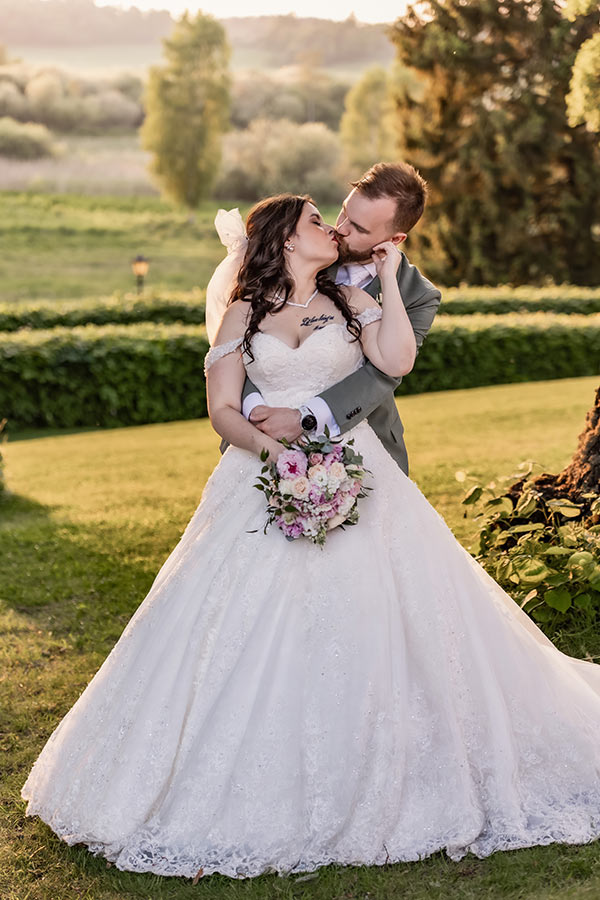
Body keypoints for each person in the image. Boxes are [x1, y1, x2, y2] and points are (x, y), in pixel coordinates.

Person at [21, 193, 600, 883]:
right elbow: (222, 410)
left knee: (386, 615)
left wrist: (385, 276)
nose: (330, 230)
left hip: (361, 475)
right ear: (285, 240)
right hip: (260, 481)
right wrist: (277, 459)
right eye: (315, 222)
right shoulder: (242, 312)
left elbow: (398, 361)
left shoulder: (349, 304)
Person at [207, 161, 442, 475]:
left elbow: (384, 373)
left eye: (358, 229)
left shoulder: (416, 295)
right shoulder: (305, 253)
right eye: (345, 211)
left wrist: (305, 418)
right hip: (260, 443)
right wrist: (257, 416)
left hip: (360, 445)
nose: (340, 228)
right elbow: (242, 353)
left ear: (395, 240)